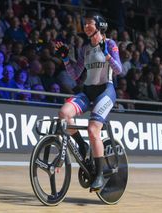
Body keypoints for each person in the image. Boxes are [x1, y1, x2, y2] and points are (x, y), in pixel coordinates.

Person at [55, 12, 122, 192]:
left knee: (93, 130)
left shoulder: (110, 44)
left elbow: (119, 70)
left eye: (88, 24)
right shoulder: (85, 49)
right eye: (84, 24)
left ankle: (99, 174)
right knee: (63, 114)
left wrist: (107, 56)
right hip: (88, 90)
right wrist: (66, 59)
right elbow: (76, 75)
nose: (85, 27)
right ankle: (82, 145)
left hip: (105, 91)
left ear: (99, 25)